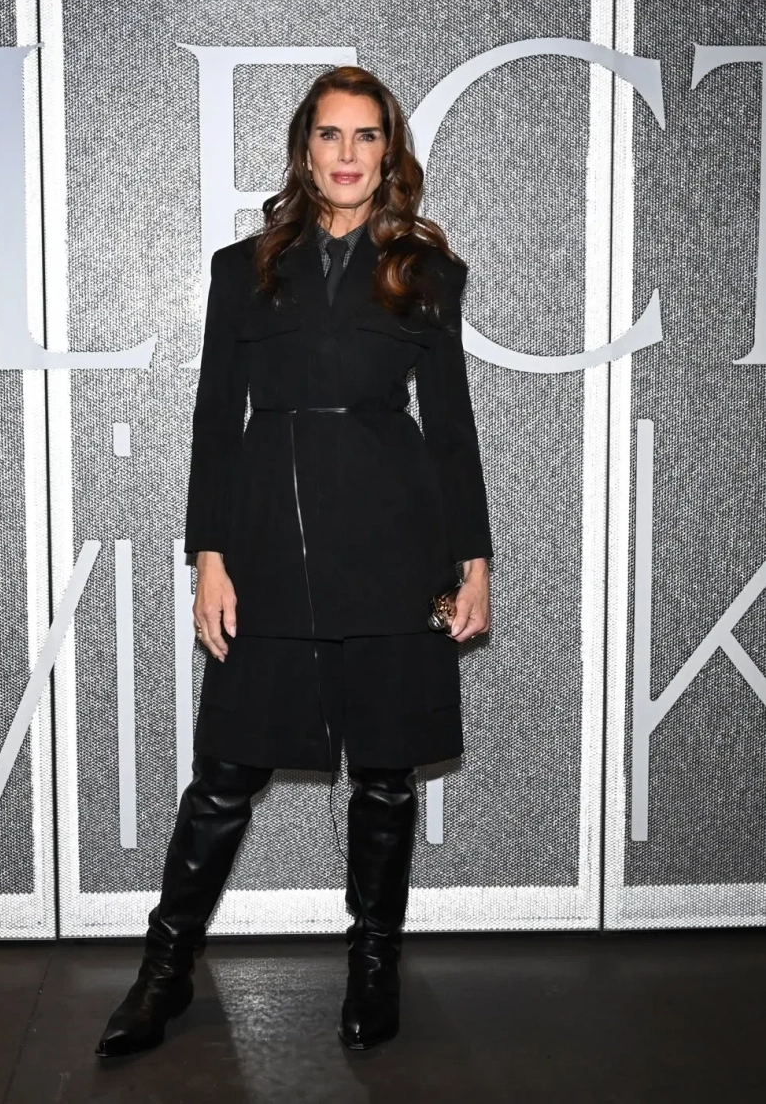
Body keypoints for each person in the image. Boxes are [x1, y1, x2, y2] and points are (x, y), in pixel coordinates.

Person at [95, 64, 493, 1059]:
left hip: (394, 546)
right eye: (330, 134)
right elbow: (213, 423)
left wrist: (473, 559)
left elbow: (450, 428)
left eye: (367, 135)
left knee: (387, 774)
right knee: (225, 770)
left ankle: (374, 963)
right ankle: (164, 969)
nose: (347, 154)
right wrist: (210, 555)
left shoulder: (425, 273)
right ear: (304, 150)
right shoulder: (244, 269)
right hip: (268, 542)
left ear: (389, 155)